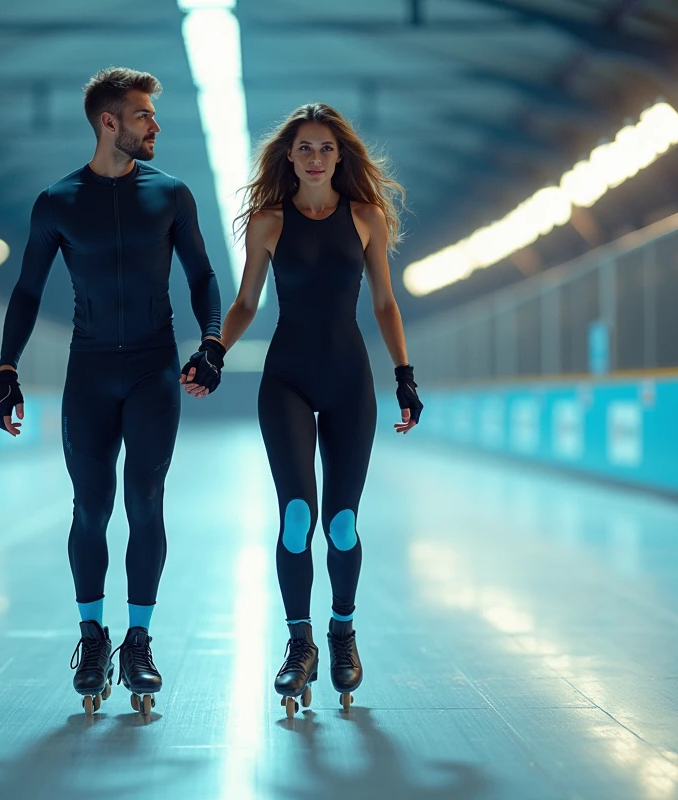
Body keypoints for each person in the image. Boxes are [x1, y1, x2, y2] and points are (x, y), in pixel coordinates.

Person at [0, 67, 226, 717]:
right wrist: (5, 371)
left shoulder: (171, 195)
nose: (157, 124)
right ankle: (92, 638)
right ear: (109, 122)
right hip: (90, 371)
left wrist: (212, 344)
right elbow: (27, 292)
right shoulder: (58, 202)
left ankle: (139, 642)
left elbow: (203, 276)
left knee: (145, 502)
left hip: (153, 368)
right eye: (146, 115)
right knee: (90, 506)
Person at [193, 103, 422, 717]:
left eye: (325, 147)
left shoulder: (366, 217)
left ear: (339, 155)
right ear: (288, 157)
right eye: (304, 148)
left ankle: (341, 633)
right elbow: (245, 302)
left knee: (342, 523)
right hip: (287, 380)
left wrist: (404, 375)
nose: (315, 157)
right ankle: (300, 644)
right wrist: (213, 350)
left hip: (350, 379)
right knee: (297, 517)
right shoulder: (268, 222)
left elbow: (384, 304)